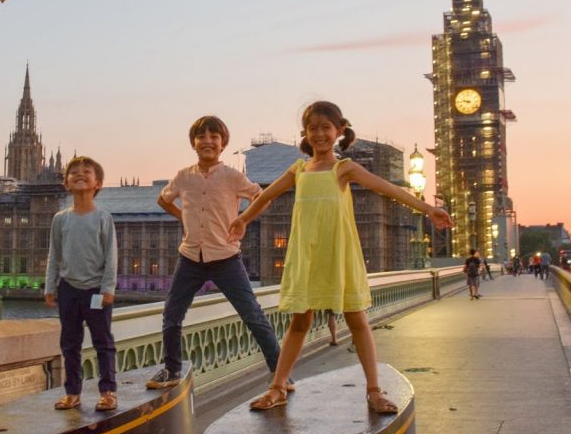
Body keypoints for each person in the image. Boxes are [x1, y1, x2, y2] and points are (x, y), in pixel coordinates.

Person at [227, 101, 452, 413]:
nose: (319, 134)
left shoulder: (343, 168)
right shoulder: (299, 169)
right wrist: (243, 219)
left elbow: (386, 188)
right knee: (300, 322)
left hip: (338, 251)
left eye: (325, 128)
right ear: (305, 133)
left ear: (339, 131)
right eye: (313, 128)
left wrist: (428, 209)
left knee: (356, 319)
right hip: (306, 253)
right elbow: (266, 196)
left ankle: (374, 391)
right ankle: (278, 387)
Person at [146, 115, 288, 391]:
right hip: (190, 257)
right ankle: (172, 369)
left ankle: (280, 374)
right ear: (193, 143)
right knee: (171, 315)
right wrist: (183, 218)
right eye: (202, 137)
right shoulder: (183, 176)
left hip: (225, 258)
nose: (207, 141)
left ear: (223, 144)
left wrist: (244, 219)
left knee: (253, 316)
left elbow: (262, 197)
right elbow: (163, 199)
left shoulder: (232, 176)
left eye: (214, 137)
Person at [44, 156, 119, 412]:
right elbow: (54, 254)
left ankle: (108, 391)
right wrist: (50, 286)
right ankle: (72, 392)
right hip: (68, 289)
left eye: (86, 172)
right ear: (65, 183)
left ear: (97, 183)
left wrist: (108, 288)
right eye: (73, 172)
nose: (80, 174)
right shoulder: (60, 219)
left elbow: (111, 255)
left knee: (103, 342)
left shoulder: (103, 217)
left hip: (96, 290)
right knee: (70, 343)